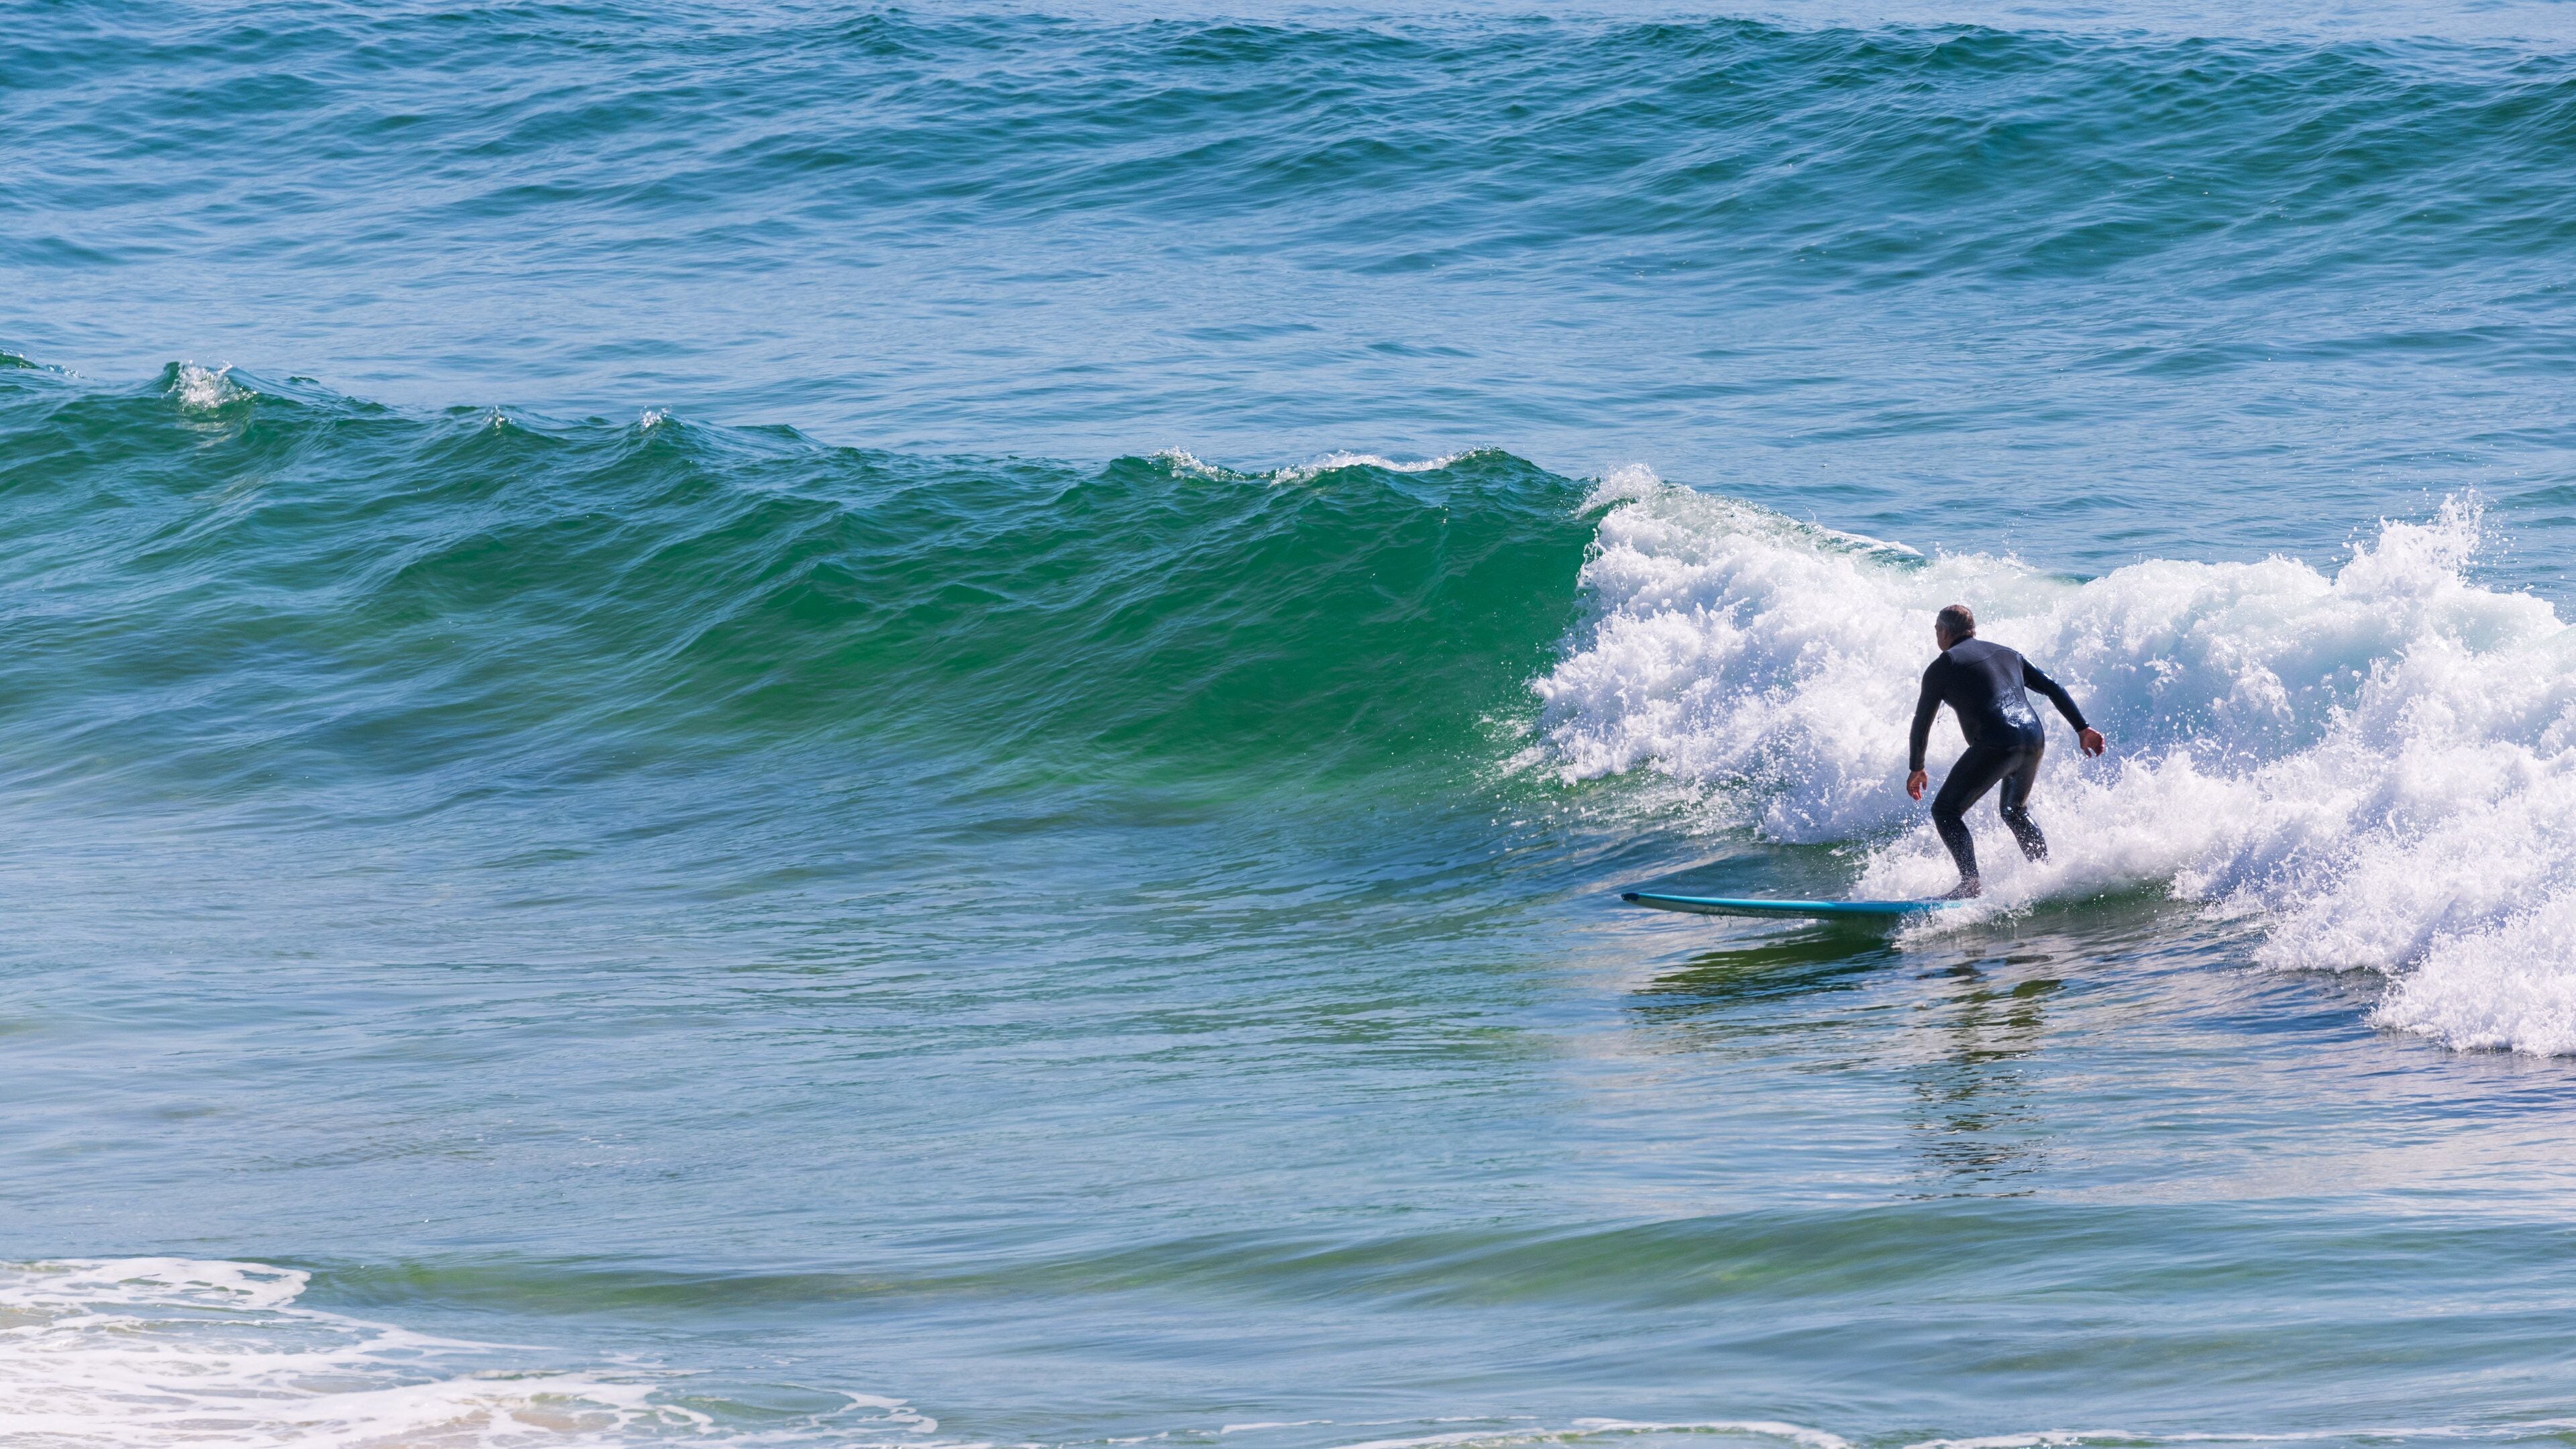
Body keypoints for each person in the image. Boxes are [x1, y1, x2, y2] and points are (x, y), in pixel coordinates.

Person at [1904, 603, 2105, 898]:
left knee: (1946, 811)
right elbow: (2052, 687)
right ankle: (2045, 876)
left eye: (1936, 630)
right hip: (2033, 738)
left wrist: (1916, 767)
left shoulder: (1943, 666)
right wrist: (2082, 728)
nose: (1936, 636)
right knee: (2015, 812)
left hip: (1997, 742)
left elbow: (1922, 722)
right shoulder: (2008, 653)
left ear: (1945, 631)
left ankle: (1970, 885)